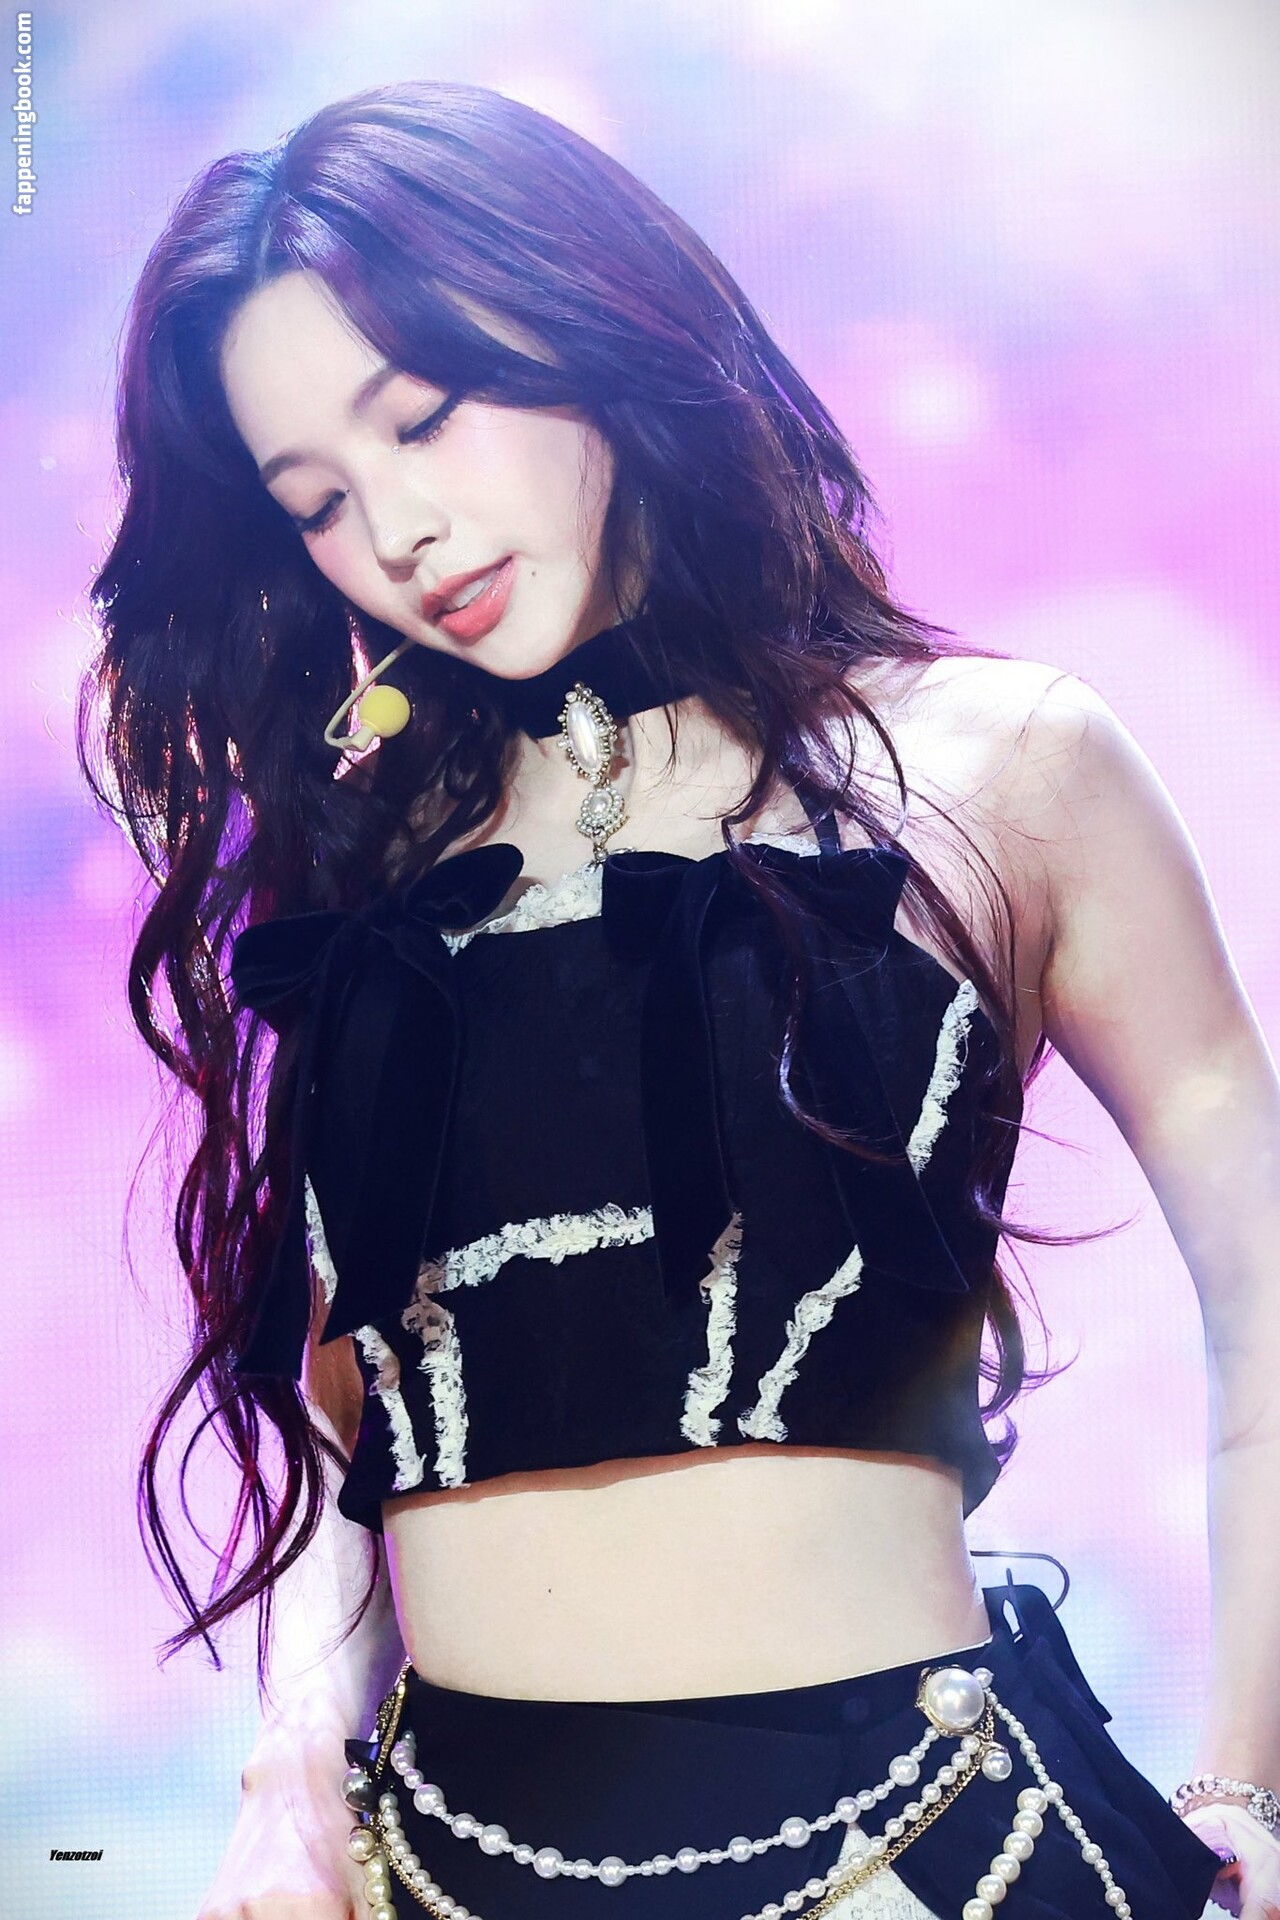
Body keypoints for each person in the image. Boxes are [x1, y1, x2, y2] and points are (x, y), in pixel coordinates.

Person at [78, 79, 1280, 1920]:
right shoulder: (375, 869)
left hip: (919, 1858)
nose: (397, 532)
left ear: (585, 316)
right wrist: (292, 1750)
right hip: (441, 1868)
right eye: (315, 500)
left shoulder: (1002, 761)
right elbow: (350, 1394)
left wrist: (1250, 1779)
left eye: (424, 417)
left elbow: (1265, 1296)